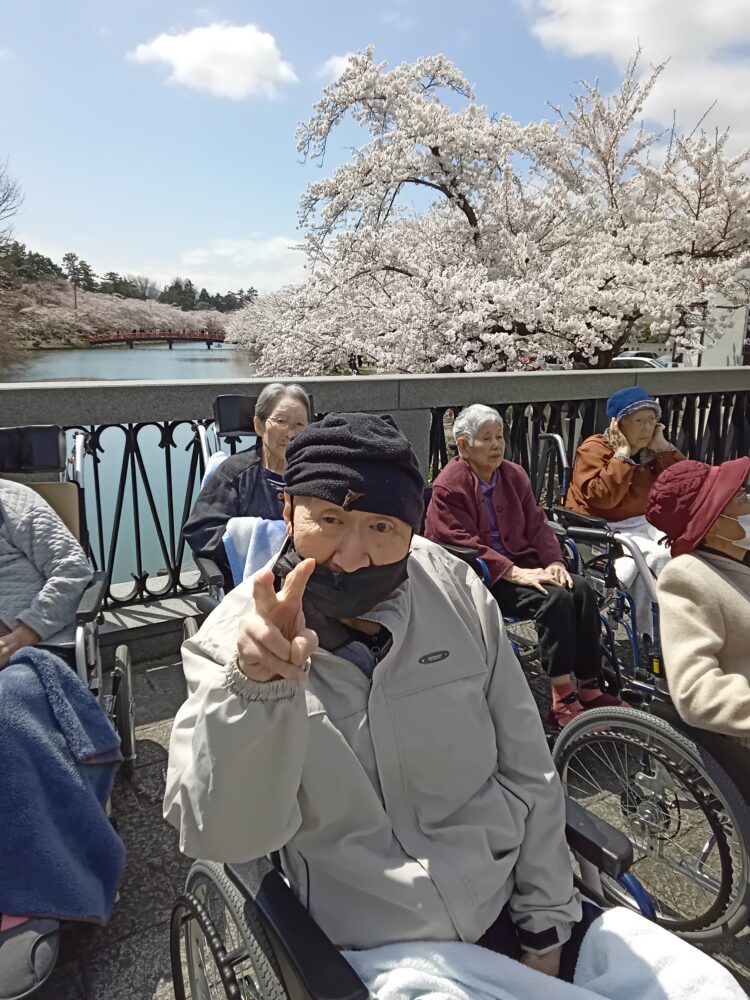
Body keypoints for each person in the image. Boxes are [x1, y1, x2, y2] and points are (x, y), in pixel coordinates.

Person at [424, 404, 625, 727]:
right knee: (554, 599)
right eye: (486, 438)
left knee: (581, 589)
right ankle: (561, 698)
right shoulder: (450, 485)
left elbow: (538, 525)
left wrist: (554, 561)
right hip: (483, 576)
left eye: (499, 437)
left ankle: (589, 685)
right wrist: (512, 571)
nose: (496, 445)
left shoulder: (513, 475)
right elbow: (457, 541)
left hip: (524, 565)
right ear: (463, 446)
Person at [646, 457, 750, 792]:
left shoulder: (739, 557)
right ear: (714, 521)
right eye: (741, 496)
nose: (749, 499)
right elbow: (696, 693)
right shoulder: (687, 578)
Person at [566, 387, 685, 633]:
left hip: (644, 520)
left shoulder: (651, 449)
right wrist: (622, 455)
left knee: (683, 547)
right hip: (602, 527)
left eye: (651, 420)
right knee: (659, 557)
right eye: (638, 421)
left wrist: (664, 448)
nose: (646, 427)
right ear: (618, 425)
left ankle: (676, 625)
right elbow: (602, 499)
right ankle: (655, 633)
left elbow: (686, 485)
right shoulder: (595, 449)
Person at [183, 383, 311, 589]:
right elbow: (201, 531)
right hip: (250, 589)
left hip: (311, 584)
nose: (291, 432)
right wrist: (251, 537)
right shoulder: (234, 474)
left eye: (300, 424)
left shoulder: (316, 473)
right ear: (259, 425)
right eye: (281, 421)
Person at [0, 478, 93, 665]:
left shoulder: (15, 504)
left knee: (15, 684)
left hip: (37, 645)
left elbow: (73, 569)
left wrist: (21, 637)